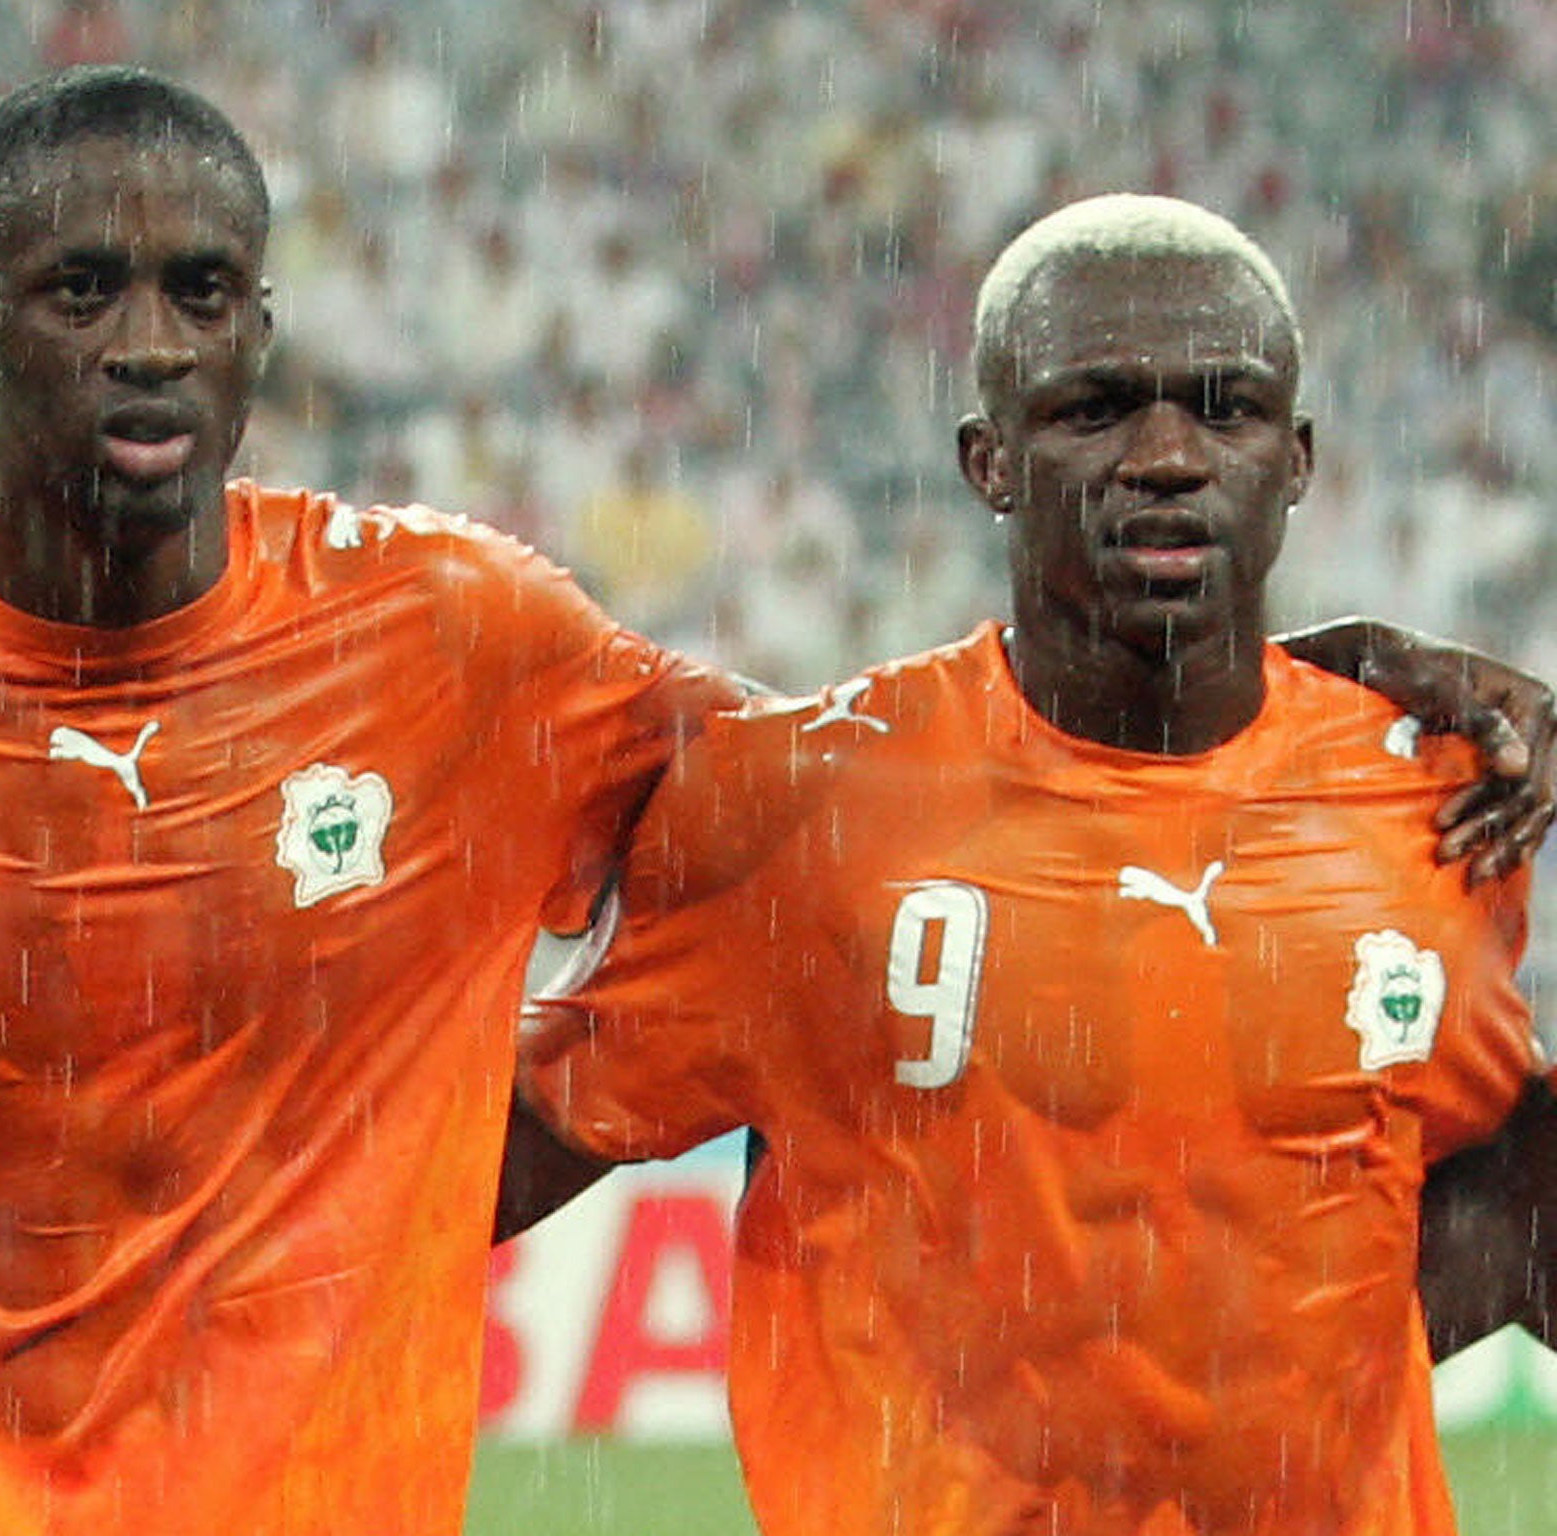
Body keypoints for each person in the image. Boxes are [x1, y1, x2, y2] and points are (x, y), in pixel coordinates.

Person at [0, 71, 1548, 1536]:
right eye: (83, 292)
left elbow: (871, 790)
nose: (147, 344)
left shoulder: (460, 645)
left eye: (200, 293)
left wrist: (1299, 699)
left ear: (259, 339)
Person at [512, 194, 1552, 1535]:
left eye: (1224, 410)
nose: (1166, 455)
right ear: (987, 461)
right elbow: (488, 1154)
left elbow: (1495, 1178)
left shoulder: (1436, 799)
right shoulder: (800, 810)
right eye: (1095, 408)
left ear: (1296, 461)